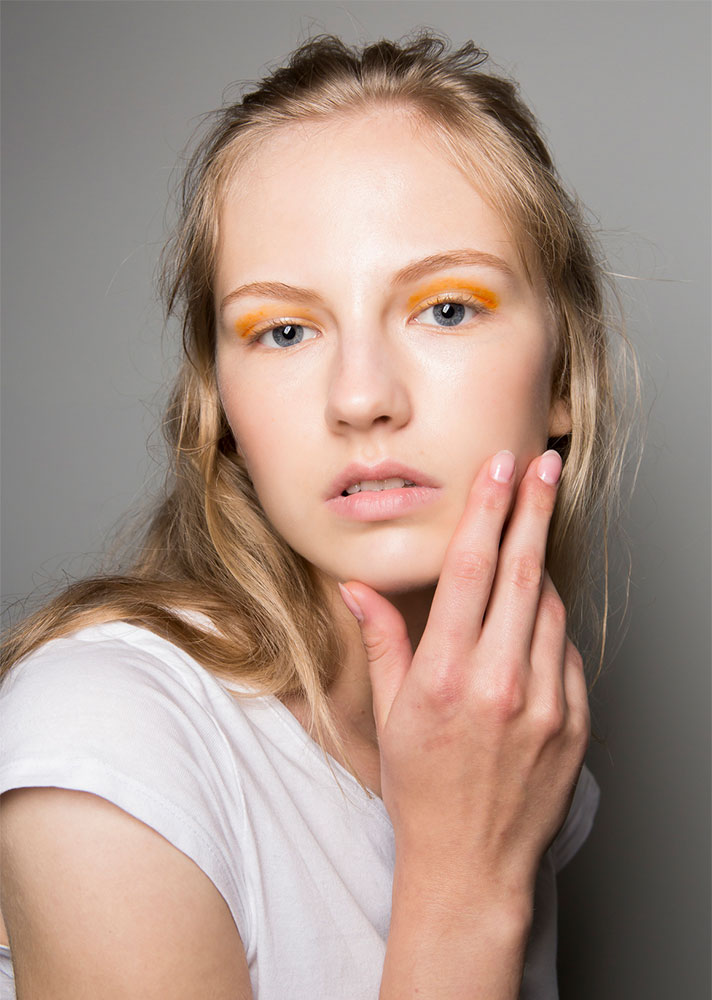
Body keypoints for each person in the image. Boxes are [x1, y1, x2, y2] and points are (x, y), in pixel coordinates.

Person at [0, 32, 634, 999]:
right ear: (222, 409)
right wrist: (464, 882)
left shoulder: (509, 734)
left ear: (564, 377)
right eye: (285, 329)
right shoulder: (105, 740)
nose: (361, 397)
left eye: (447, 309)